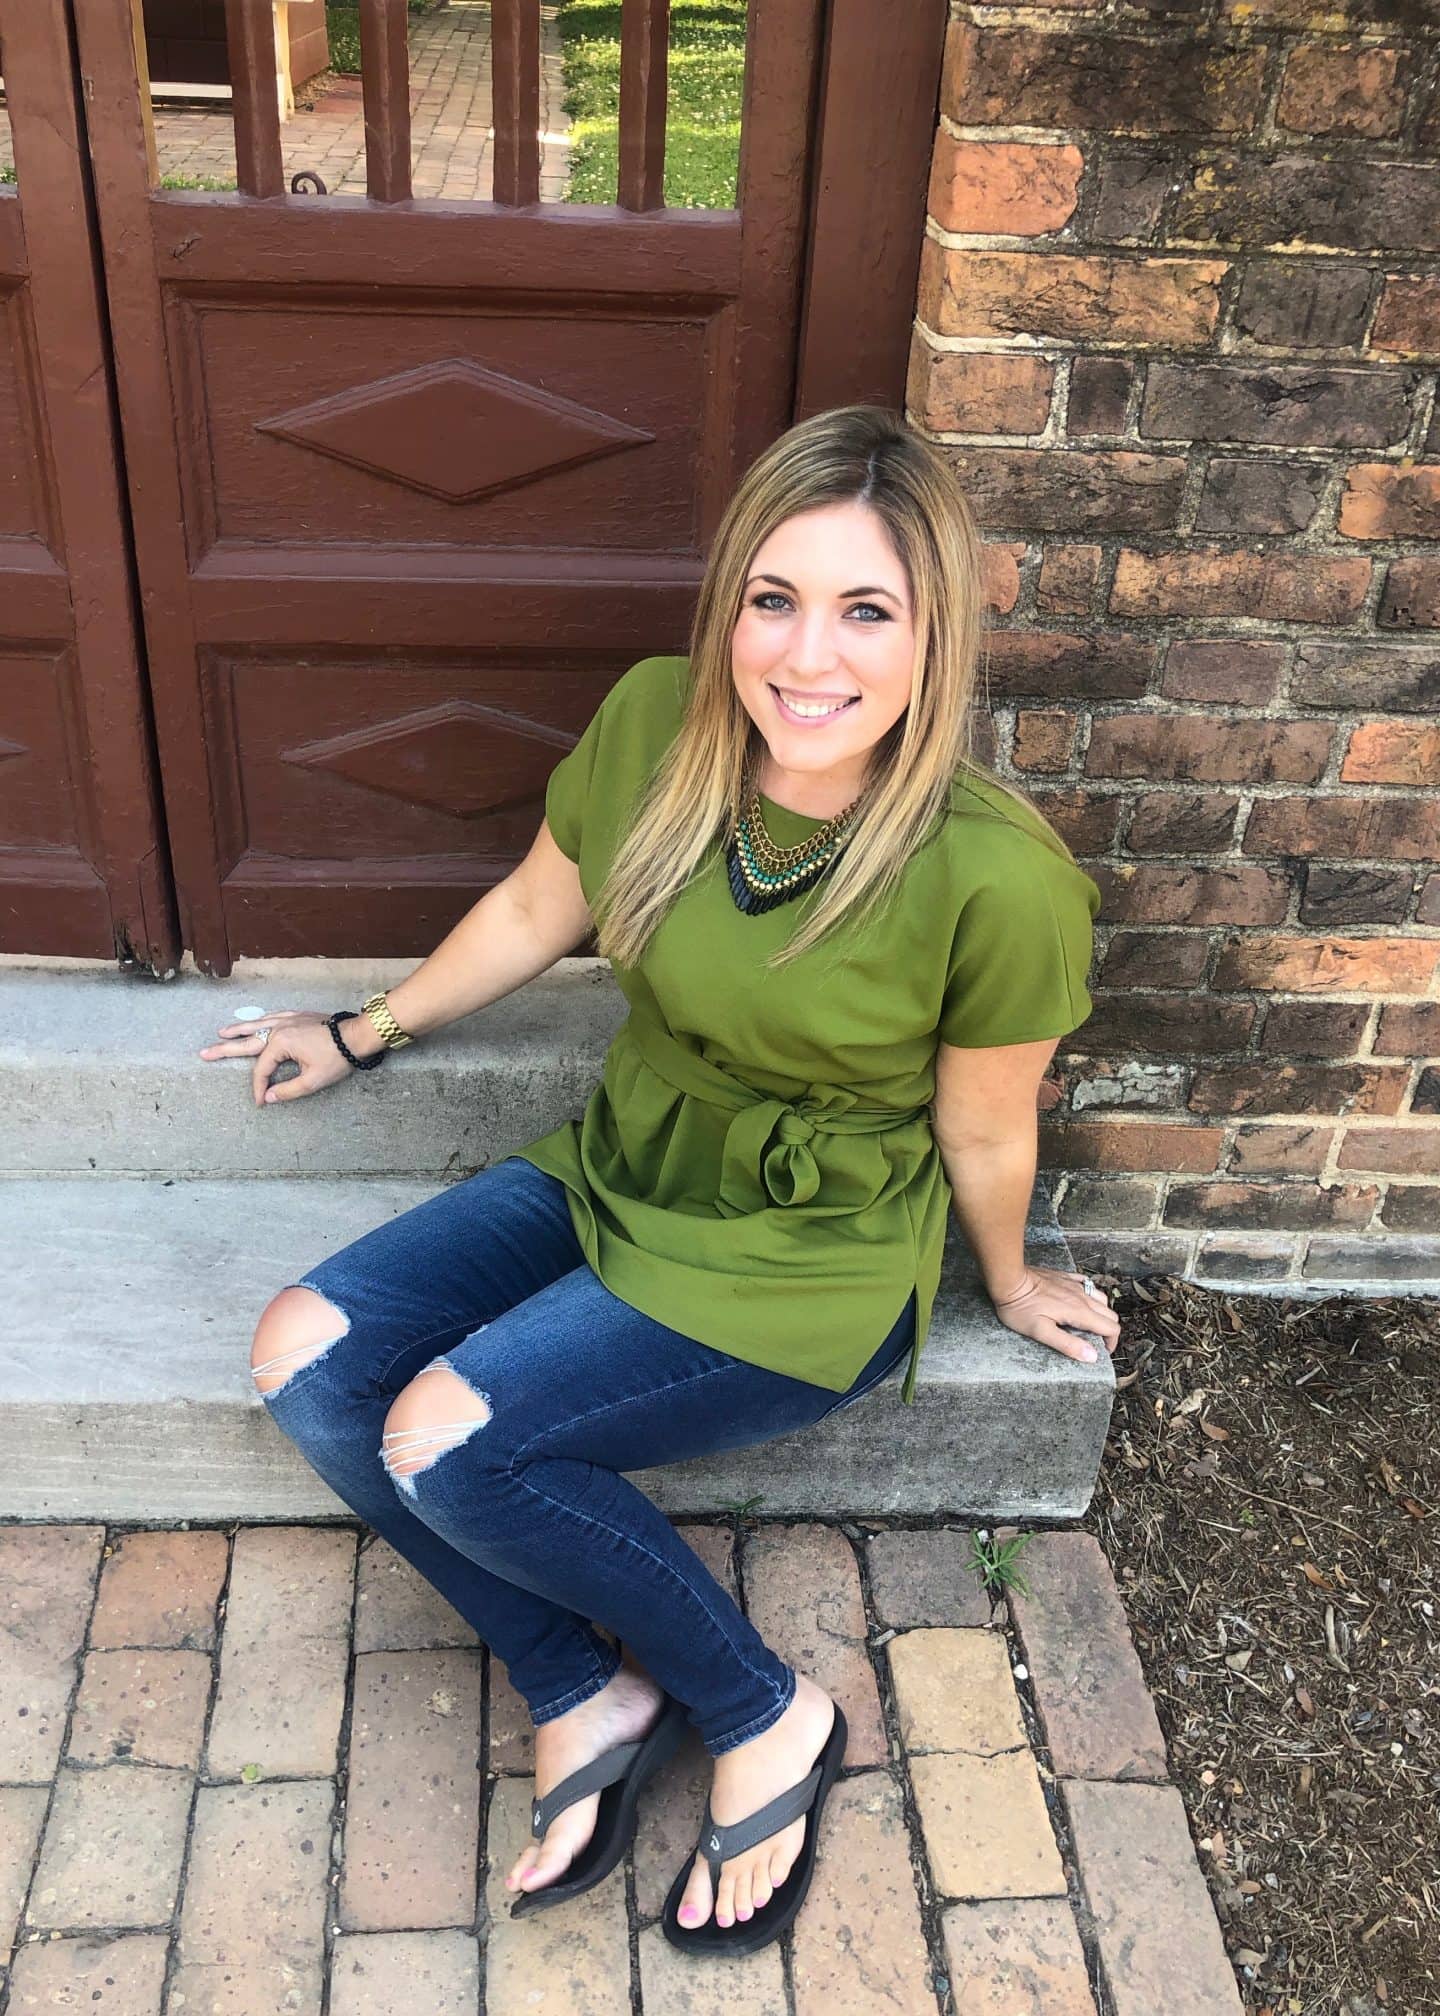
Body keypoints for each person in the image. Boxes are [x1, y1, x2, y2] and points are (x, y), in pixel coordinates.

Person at [201, 402, 1120, 1958]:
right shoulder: (655, 726)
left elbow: (984, 1127)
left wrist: (1010, 1279)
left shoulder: (997, 876)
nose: (806, 657)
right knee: (304, 1356)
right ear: (729, 608)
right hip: (631, 1164)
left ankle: (762, 1714)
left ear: (934, 635)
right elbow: (533, 905)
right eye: (774, 599)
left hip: (809, 1250)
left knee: (449, 1443)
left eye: (866, 611)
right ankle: (580, 1681)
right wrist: (363, 1030)